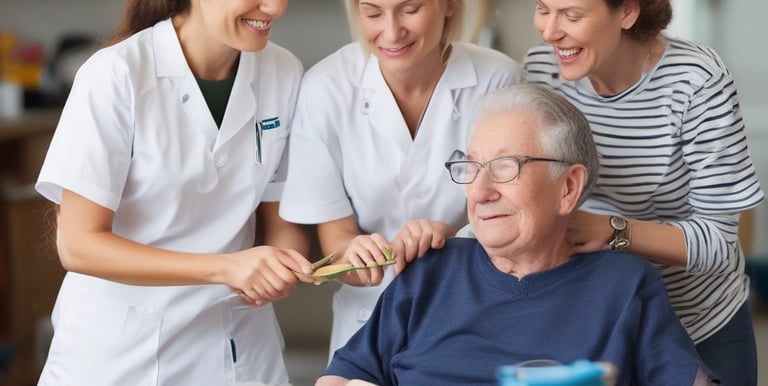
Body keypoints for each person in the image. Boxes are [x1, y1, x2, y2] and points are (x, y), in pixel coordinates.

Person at [315, 83, 717, 386]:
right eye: (472, 168)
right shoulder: (429, 272)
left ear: (568, 187)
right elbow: (342, 376)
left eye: (505, 167)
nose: (480, 191)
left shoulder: (624, 287)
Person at [34, 0, 314, 384]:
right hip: (123, 352)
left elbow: (281, 216)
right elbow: (79, 245)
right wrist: (226, 268)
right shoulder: (116, 73)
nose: (275, 7)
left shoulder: (284, 71)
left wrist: (283, 267)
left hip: (238, 344)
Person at [522, 0, 765, 384]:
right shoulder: (540, 69)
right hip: (596, 317)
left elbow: (718, 243)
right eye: (542, 7)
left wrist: (610, 230)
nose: (549, 31)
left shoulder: (696, 81)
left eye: (571, 14)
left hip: (698, 322)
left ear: (627, 12)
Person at [279, 0, 522, 360]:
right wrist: (355, 253)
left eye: (410, 9)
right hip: (366, 325)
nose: (391, 32)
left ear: (448, 5)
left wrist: (451, 238)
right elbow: (337, 239)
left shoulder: (499, 79)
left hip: (474, 315)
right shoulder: (325, 88)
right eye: (373, 13)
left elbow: (518, 219)